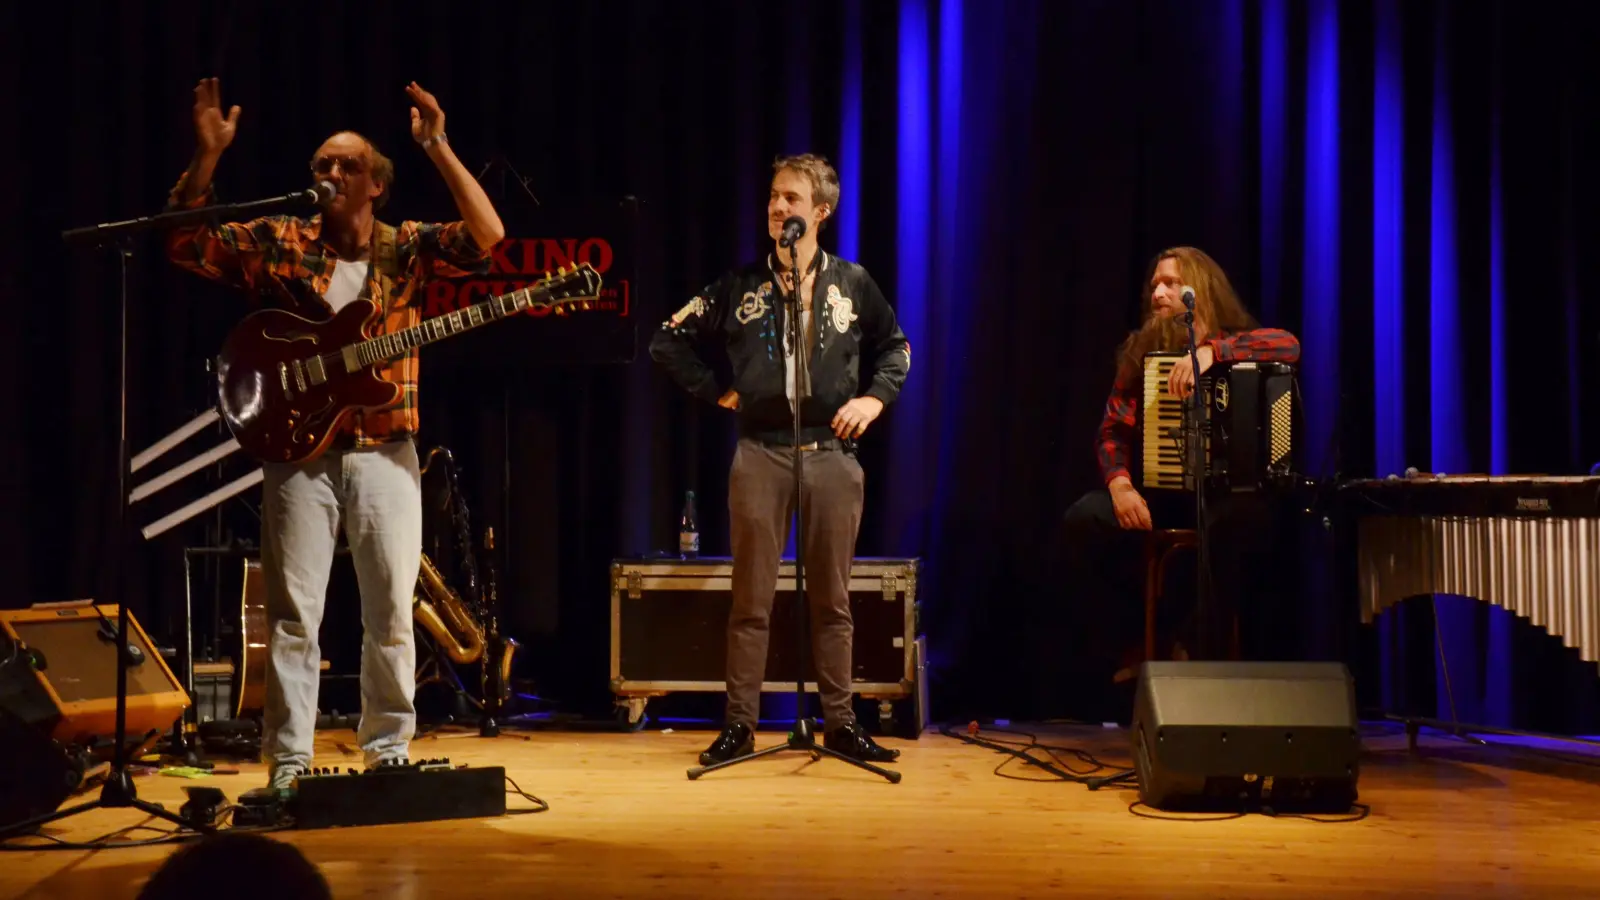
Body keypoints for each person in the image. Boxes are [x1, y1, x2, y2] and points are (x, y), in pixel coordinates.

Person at [164, 78, 505, 789]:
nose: (330, 174)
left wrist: (435, 144)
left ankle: (386, 754)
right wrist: (206, 160)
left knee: (390, 613)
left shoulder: (406, 249)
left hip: (386, 450)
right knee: (294, 619)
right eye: (322, 164)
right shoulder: (283, 239)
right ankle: (288, 763)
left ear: (376, 185)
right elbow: (186, 243)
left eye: (347, 166)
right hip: (301, 456)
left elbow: (488, 237)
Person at [649, 153, 910, 765]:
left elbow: (894, 348)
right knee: (751, 599)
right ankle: (739, 724)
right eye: (772, 196)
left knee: (833, 599)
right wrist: (718, 390)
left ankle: (841, 724)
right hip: (761, 455)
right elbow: (668, 338)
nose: (777, 207)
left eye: (791, 199)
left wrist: (872, 402)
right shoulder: (739, 287)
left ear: (820, 212)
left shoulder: (853, 283)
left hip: (830, 455)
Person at [1062, 246, 1300, 686]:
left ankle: (1192, 647)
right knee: (1083, 520)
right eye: (1154, 284)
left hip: (1224, 496)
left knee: (1240, 521)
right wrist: (1120, 486)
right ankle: (1135, 643)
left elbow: (1288, 344)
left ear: (1199, 289)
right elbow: (1112, 431)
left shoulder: (1235, 340)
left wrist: (1214, 352)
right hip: (1161, 495)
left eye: (1170, 282)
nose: (1158, 292)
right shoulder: (1140, 354)